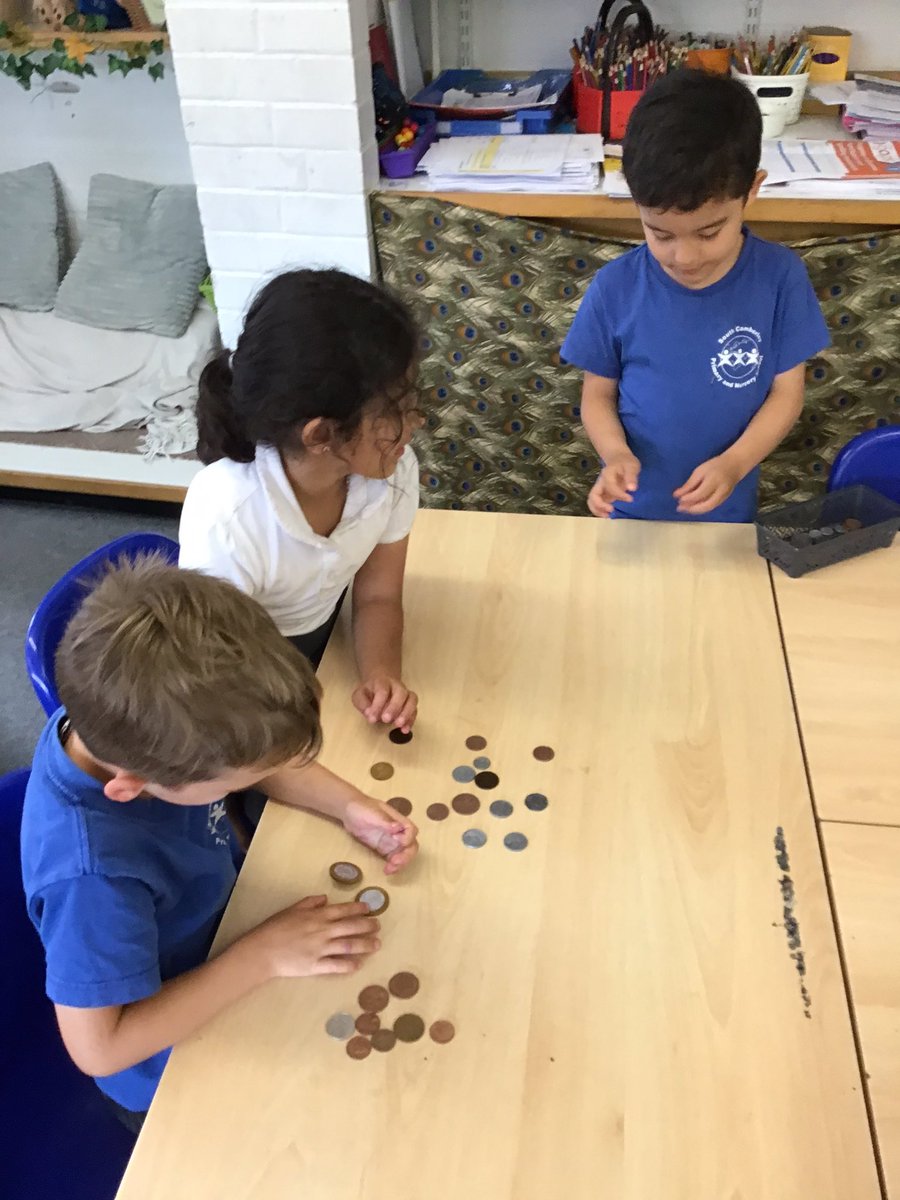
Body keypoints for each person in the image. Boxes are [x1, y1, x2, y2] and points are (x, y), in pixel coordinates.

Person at [20, 558, 418, 1132]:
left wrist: (349, 806)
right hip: (170, 1061)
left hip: (226, 933)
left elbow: (249, 759)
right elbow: (100, 1051)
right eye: (232, 782)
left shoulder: (121, 719)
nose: (253, 779)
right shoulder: (93, 879)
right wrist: (263, 955)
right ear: (132, 787)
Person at [562, 69, 830, 522]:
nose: (684, 258)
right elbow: (597, 396)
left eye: (709, 233)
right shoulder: (615, 288)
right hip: (633, 515)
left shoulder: (780, 278)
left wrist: (735, 463)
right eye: (660, 233)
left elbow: (787, 394)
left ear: (752, 190)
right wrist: (615, 455)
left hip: (727, 518)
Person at [179, 269, 424, 734]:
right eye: (398, 410)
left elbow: (378, 594)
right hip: (245, 678)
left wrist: (381, 675)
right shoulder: (228, 514)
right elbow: (215, 686)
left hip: (327, 639)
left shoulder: (391, 469)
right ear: (321, 435)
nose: (416, 422)